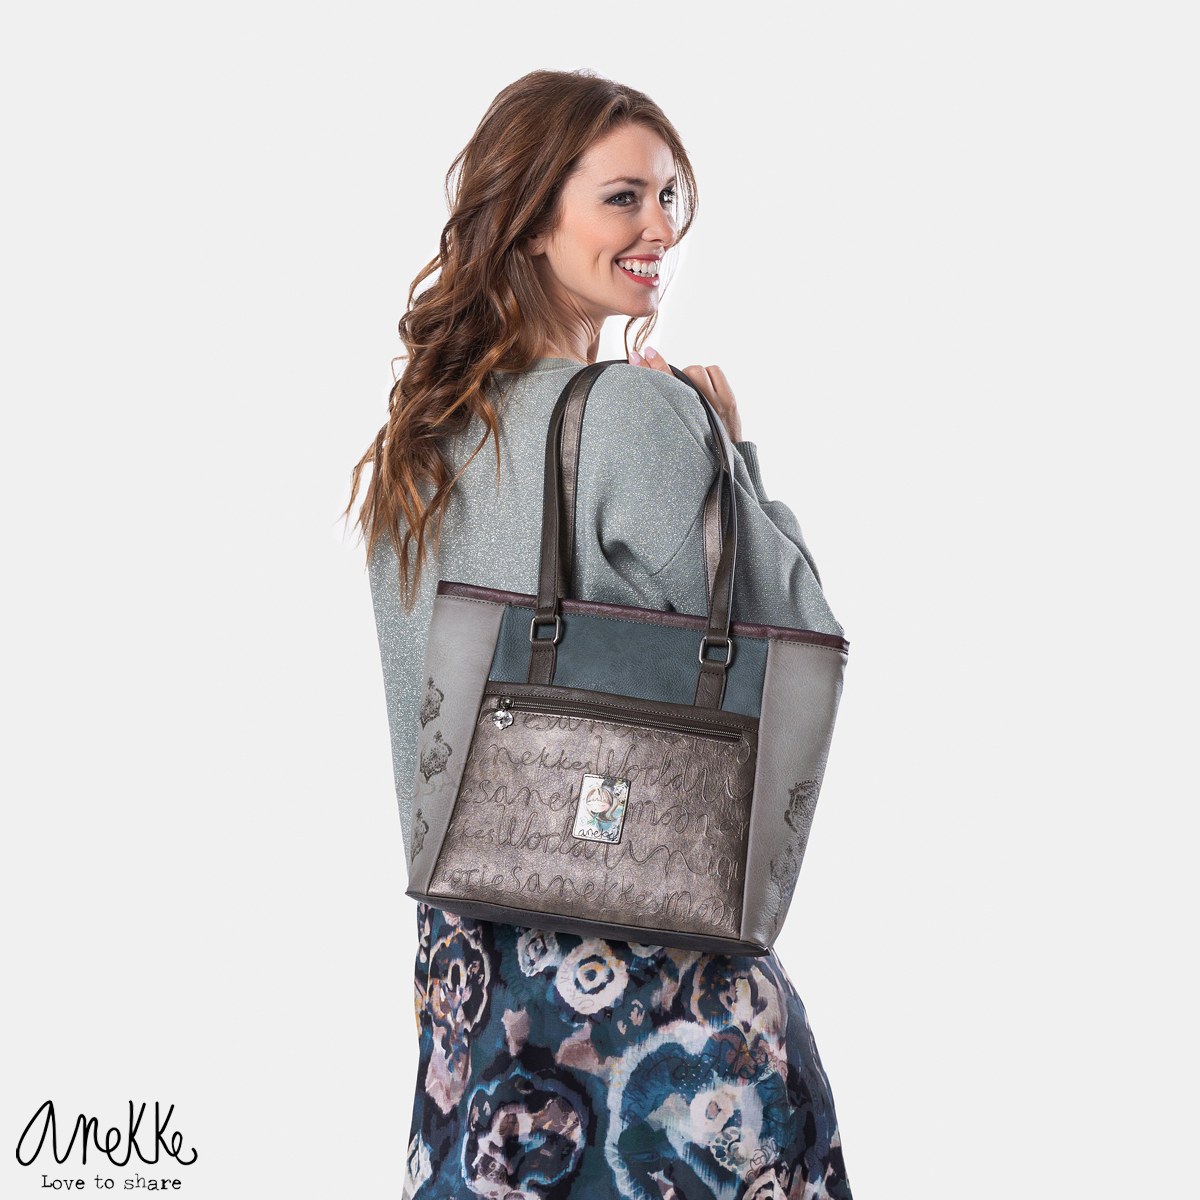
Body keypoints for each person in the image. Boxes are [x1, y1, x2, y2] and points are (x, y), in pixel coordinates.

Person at [348, 69, 853, 1200]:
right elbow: (803, 640)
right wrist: (731, 452)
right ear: (532, 217)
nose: (659, 227)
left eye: (668, 196)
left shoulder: (416, 449)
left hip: (473, 1014)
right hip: (658, 1018)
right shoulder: (635, 411)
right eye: (623, 197)